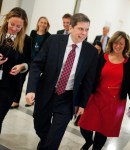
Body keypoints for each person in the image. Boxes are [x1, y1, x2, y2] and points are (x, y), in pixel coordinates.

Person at [26, 13, 98, 150]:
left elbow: (89, 81)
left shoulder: (91, 52)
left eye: (87, 29)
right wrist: (31, 89)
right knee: (40, 126)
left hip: (67, 98)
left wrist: (82, 104)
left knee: (55, 136)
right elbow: (37, 65)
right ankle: (45, 144)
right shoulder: (53, 41)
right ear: (70, 28)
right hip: (46, 92)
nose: (84, 33)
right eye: (80, 29)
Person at [78, 31, 130, 150]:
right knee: (84, 125)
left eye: (121, 44)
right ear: (112, 43)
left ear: (125, 45)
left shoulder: (128, 63)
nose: (118, 46)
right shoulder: (103, 57)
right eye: (116, 43)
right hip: (96, 98)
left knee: (102, 130)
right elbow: (92, 76)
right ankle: (88, 141)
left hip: (114, 104)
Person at [0, 7, 31, 133]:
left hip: (10, 86)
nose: (14, 29)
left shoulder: (27, 40)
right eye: (12, 24)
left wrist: (22, 66)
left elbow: (30, 61)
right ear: (7, 20)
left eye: (18, 27)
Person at [11, 16, 51, 108]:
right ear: (38, 23)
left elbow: (45, 50)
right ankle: (16, 101)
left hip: (39, 63)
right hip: (29, 61)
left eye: (45, 23)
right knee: (21, 80)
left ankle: (31, 100)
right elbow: (29, 46)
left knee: (34, 81)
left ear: (47, 25)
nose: (43, 24)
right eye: (41, 22)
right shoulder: (33, 33)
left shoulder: (48, 36)